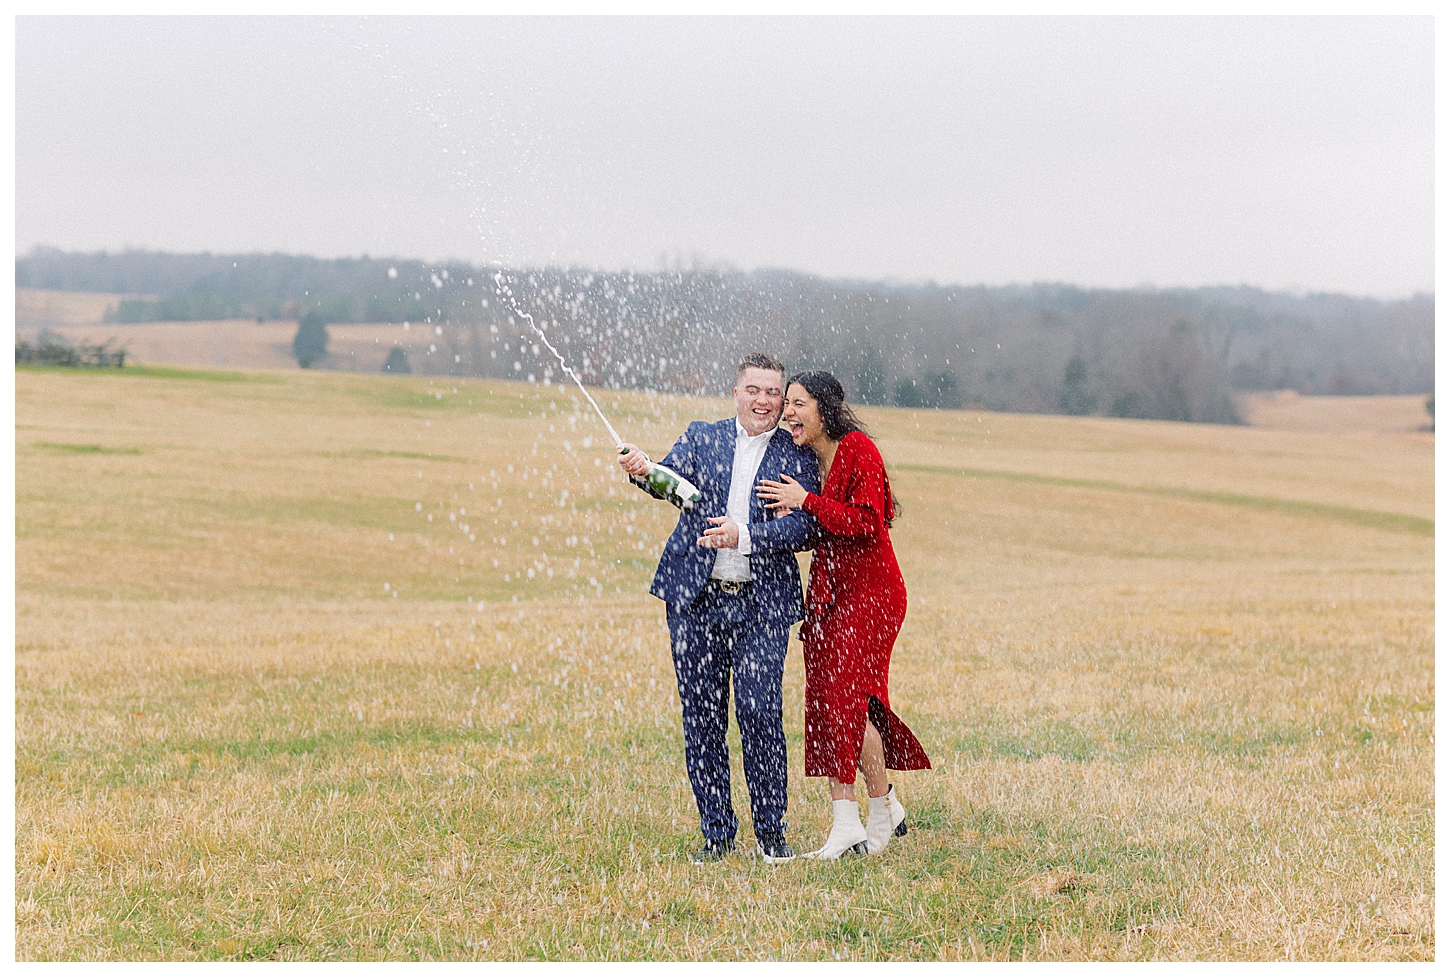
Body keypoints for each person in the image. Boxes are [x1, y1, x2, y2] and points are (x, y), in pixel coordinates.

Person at [617, 353, 820, 865]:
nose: (763, 400)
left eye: (773, 393)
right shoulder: (702, 436)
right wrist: (643, 471)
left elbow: (806, 528)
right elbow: (668, 481)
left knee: (759, 713)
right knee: (702, 717)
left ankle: (772, 835)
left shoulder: (796, 456)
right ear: (736, 393)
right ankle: (718, 834)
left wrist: (745, 535)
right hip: (694, 601)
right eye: (754, 389)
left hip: (762, 607)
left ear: (782, 400)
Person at [756, 370, 931, 860]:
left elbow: (867, 521)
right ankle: (857, 818)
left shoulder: (857, 449)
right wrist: (790, 516)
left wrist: (806, 502)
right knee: (830, 703)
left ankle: (872, 816)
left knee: (847, 703)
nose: (787, 412)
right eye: (786, 403)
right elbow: (825, 530)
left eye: (798, 403)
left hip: (872, 594)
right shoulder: (812, 460)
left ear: (824, 408)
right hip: (832, 595)